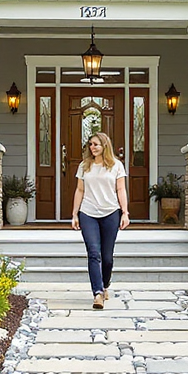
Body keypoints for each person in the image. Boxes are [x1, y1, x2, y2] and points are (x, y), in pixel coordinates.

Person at [70, 131, 129, 309]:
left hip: (111, 213)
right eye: (90, 144)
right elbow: (79, 190)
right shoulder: (84, 165)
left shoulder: (116, 166)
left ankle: (105, 285)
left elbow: (121, 190)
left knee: (107, 258)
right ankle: (97, 293)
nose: (92, 147)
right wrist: (75, 214)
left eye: (96, 144)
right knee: (94, 253)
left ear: (105, 146)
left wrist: (125, 212)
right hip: (88, 213)